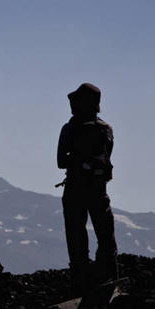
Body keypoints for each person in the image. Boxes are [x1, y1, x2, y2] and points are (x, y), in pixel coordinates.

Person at [57, 83, 118, 293]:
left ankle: (80, 280)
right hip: (97, 190)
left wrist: (77, 161)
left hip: (75, 189)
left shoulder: (70, 129)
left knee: (76, 236)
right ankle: (107, 277)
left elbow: (60, 161)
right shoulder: (105, 129)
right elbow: (106, 157)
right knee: (105, 234)